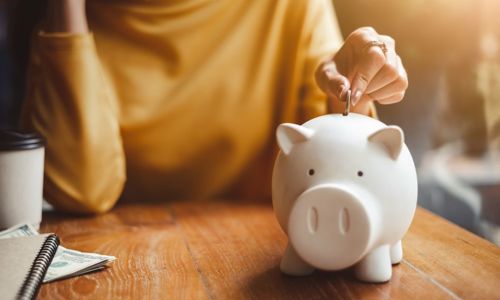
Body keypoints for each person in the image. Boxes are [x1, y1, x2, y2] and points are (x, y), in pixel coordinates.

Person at [20, 0, 408, 213]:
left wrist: (352, 92)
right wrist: (65, 12)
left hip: (258, 253)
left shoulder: (288, 7)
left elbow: (332, 167)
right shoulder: (71, 24)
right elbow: (79, 191)